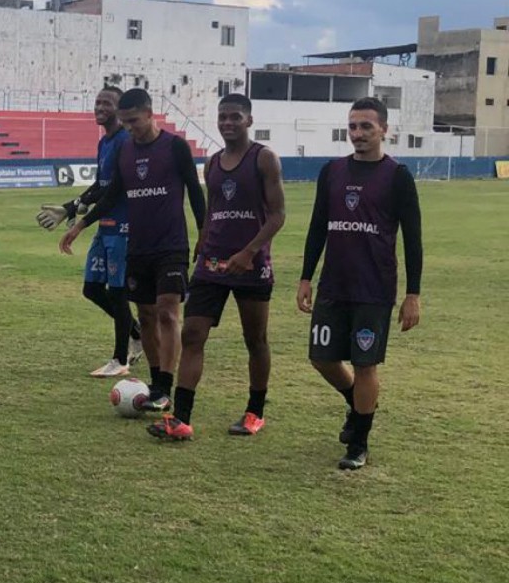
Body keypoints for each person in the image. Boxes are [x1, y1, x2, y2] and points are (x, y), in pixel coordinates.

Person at [147, 94, 286, 441]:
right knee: (192, 334)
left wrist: (250, 251)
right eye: (223, 117)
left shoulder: (264, 158)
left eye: (235, 117)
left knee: (255, 340)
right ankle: (180, 418)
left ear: (249, 120)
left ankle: (255, 412)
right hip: (212, 263)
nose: (227, 123)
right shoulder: (211, 164)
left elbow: (278, 215)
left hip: (251, 265)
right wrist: (203, 239)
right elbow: (213, 210)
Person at [60, 88, 206, 413]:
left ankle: (166, 386)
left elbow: (196, 193)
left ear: (150, 113)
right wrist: (80, 225)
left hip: (171, 245)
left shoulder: (175, 147)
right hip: (138, 247)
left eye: (134, 121)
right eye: (124, 123)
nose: (129, 129)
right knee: (146, 315)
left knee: (168, 312)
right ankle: (156, 383)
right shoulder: (126, 152)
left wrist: (204, 234)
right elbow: (111, 196)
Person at [297, 97, 422, 470]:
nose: (358, 134)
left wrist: (413, 294)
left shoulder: (397, 176)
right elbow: (318, 226)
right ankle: (358, 402)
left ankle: (359, 443)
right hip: (334, 285)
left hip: (374, 289)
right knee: (321, 358)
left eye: (366, 126)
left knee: (365, 363)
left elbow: (413, 239)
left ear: (384, 129)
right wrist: (306, 277)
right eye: (352, 126)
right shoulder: (332, 172)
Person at [36, 85, 143, 377]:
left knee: (118, 293)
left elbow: (114, 192)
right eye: (97, 102)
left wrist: (80, 223)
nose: (99, 107)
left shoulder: (124, 142)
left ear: (120, 111)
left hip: (122, 226)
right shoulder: (104, 143)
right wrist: (70, 207)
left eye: (106, 103)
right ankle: (136, 331)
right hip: (106, 226)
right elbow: (100, 187)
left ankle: (120, 360)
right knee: (92, 288)